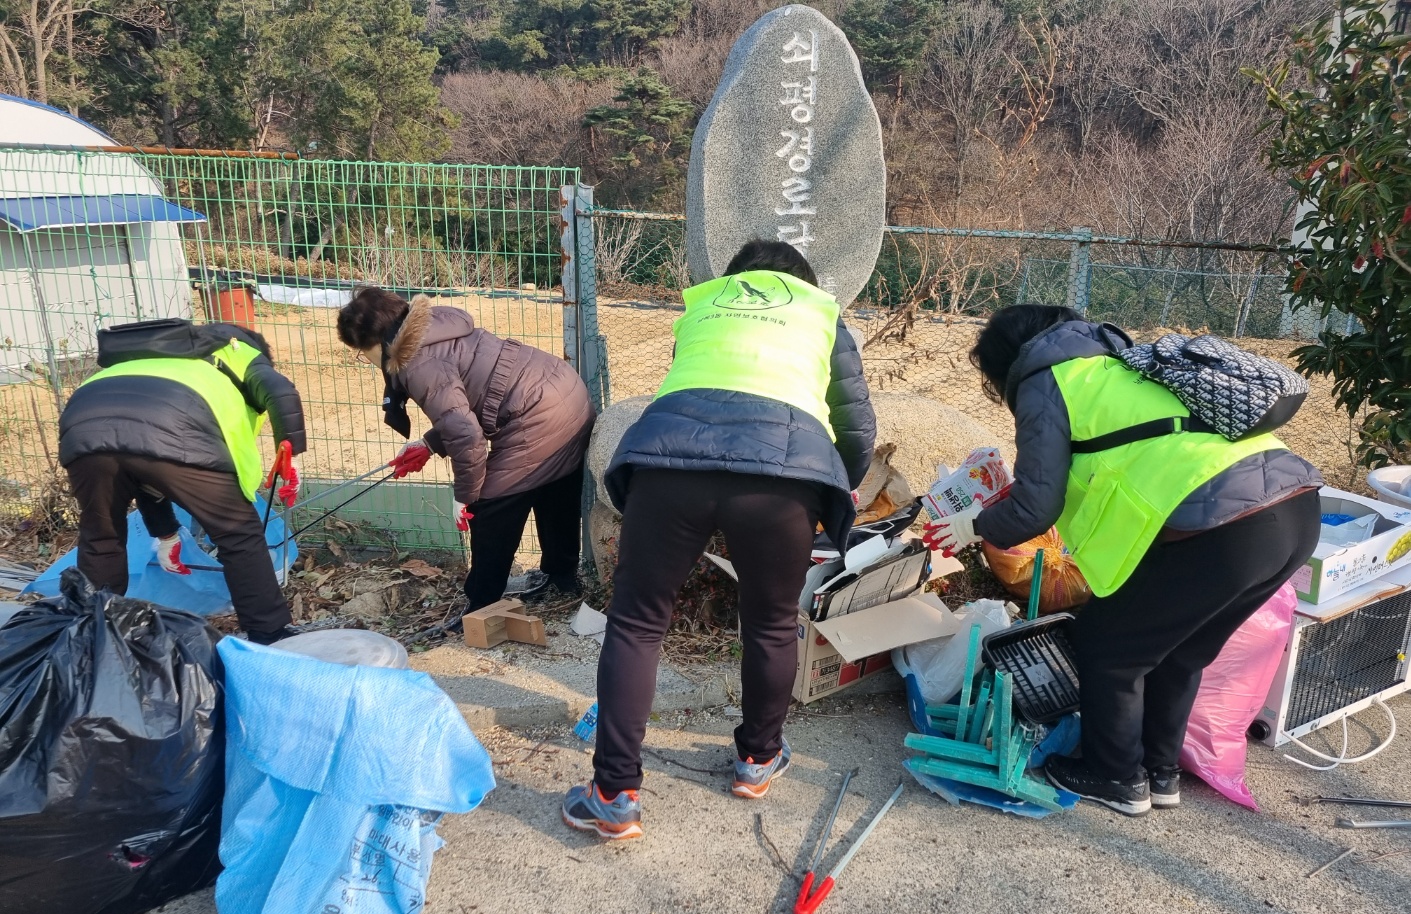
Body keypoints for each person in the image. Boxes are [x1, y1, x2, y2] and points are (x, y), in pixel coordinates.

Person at [924, 304, 1322, 816]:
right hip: (1295, 509)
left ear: (1006, 364)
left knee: (1108, 647)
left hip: (1228, 524)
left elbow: (1035, 506)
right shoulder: (1124, 365)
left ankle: (1114, 777)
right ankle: (1159, 774)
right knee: (1179, 652)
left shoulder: (1048, 381)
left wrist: (973, 526)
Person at [560, 239, 876, 840]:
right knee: (771, 622)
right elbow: (856, 426)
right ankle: (757, 760)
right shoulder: (820, 317)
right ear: (805, 285)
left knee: (636, 622)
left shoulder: (704, 307)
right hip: (782, 480)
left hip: (670, 465)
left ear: (735, 280)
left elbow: (693, 385)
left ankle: (613, 793)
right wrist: (833, 486)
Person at [336, 288, 595, 615]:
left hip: (536, 413)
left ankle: (481, 606)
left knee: (491, 508)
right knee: (552, 487)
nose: (367, 360)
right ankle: (562, 579)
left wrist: (467, 495)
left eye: (362, 352)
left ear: (376, 342)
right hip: (566, 394)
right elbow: (468, 405)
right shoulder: (437, 329)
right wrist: (428, 444)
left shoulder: (416, 362)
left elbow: (466, 433)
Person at [58, 318, 306, 644]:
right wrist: (291, 454)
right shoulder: (240, 351)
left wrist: (167, 537)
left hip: (84, 426)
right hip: (177, 423)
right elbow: (281, 390)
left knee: (100, 537)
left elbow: (144, 469)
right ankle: (271, 635)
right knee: (238, 534)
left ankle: (90, 639)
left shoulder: (149, 358)